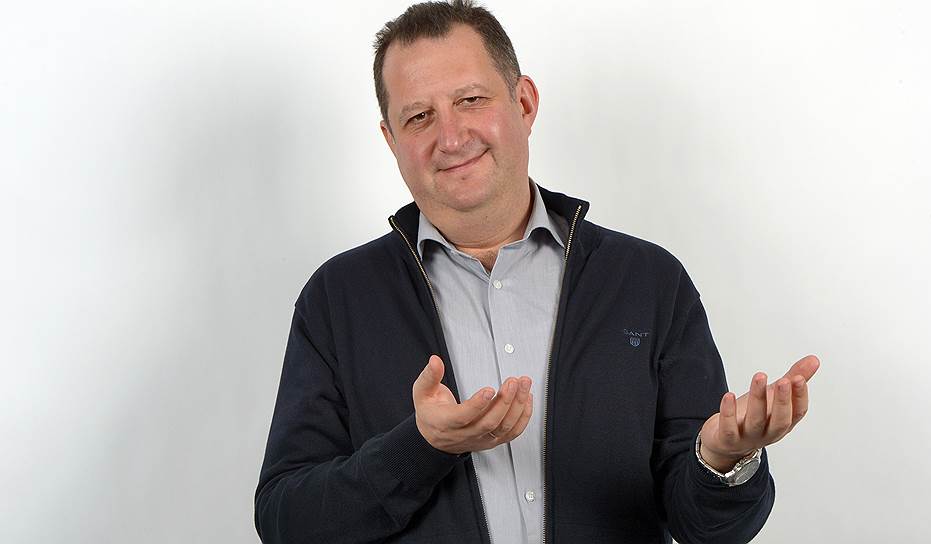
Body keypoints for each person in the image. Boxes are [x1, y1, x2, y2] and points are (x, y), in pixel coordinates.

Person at [254, 1, 820, 543]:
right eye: (419, 117)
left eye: (470, 100)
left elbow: (709, 529)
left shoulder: (648, 281)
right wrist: (419, 448)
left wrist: (721, 462)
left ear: (523, 103)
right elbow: (287, 522)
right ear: (391, 140)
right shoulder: (337, 300)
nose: (451, 138)